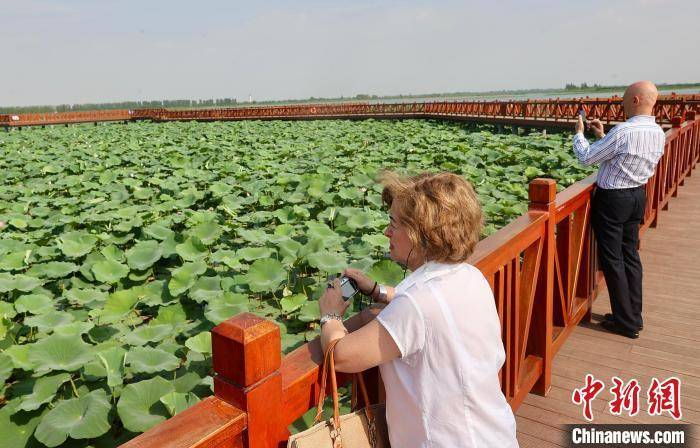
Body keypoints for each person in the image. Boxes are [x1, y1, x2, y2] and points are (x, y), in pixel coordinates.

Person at [318, 171, 518, 447]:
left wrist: (330, 314)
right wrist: (377, 290)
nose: (386, 232)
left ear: (420, 234)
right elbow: (428, 308)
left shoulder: (416, 305)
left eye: (393, 223)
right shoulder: (470, 276)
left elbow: (341, 356)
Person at [573, 80, 666, 339]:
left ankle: (625, 322)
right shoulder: (657, 131)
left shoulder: (625, 131)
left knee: (613, 260)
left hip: (613, 200)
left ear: (635, 100)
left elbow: (586, 158)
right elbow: (623, 155)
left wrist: (579, 133)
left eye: (625, 99)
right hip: (637, 196)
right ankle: (633, 316)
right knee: (630, 257)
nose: (622, 103)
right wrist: (603, 135)